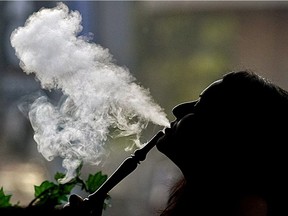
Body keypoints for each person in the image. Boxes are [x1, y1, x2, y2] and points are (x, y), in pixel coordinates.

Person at [66, 70, 288, 216]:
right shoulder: (210, 201)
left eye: (200, 106)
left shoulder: (246, 209)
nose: (178, 109)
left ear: (230, 135)